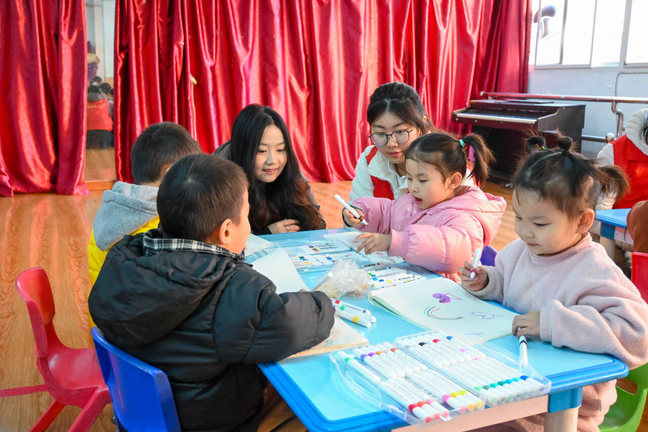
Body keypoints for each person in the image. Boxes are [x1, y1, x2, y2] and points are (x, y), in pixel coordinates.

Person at [89, 153, 334, 431]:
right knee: (312, 405)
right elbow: (293, 324)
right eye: (246, 216)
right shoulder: (235, 292)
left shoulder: (123, 258)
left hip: (144, 417)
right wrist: (322, 301)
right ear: (226, 231)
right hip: (213, 422)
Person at [460, 135, 648, 432]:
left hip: (563, 408)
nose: (525, 231)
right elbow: (509, 286)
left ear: (583, 221)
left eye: (539, 223)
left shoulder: (594, 270)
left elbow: (639, 336)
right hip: (513, 385)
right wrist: (488, 281)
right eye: (519, 217)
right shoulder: (520, 251)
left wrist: (552, 324)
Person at [343, 132, 505, 282]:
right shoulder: (412, 201)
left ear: (453, 181)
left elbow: (448, 249)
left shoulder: (465, 218)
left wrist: (398, 242)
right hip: (410, 284)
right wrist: (362, 212)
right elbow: (388, 213)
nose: (413, 187)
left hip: (443, 295)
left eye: (422, 180)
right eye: (409, 178)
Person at [87, 122, 202, 328]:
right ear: (171, 172)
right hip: (131, 337)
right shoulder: (160, 224)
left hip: (103, 326)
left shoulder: (118, 205)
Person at [215, 104, 326, 234]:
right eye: (262, 151)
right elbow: (222, 238)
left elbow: (318, 223)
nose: (273, 160)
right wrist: (267, 234)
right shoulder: (221, 182)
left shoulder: (289, 171)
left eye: (280, 149)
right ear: (244, 151)